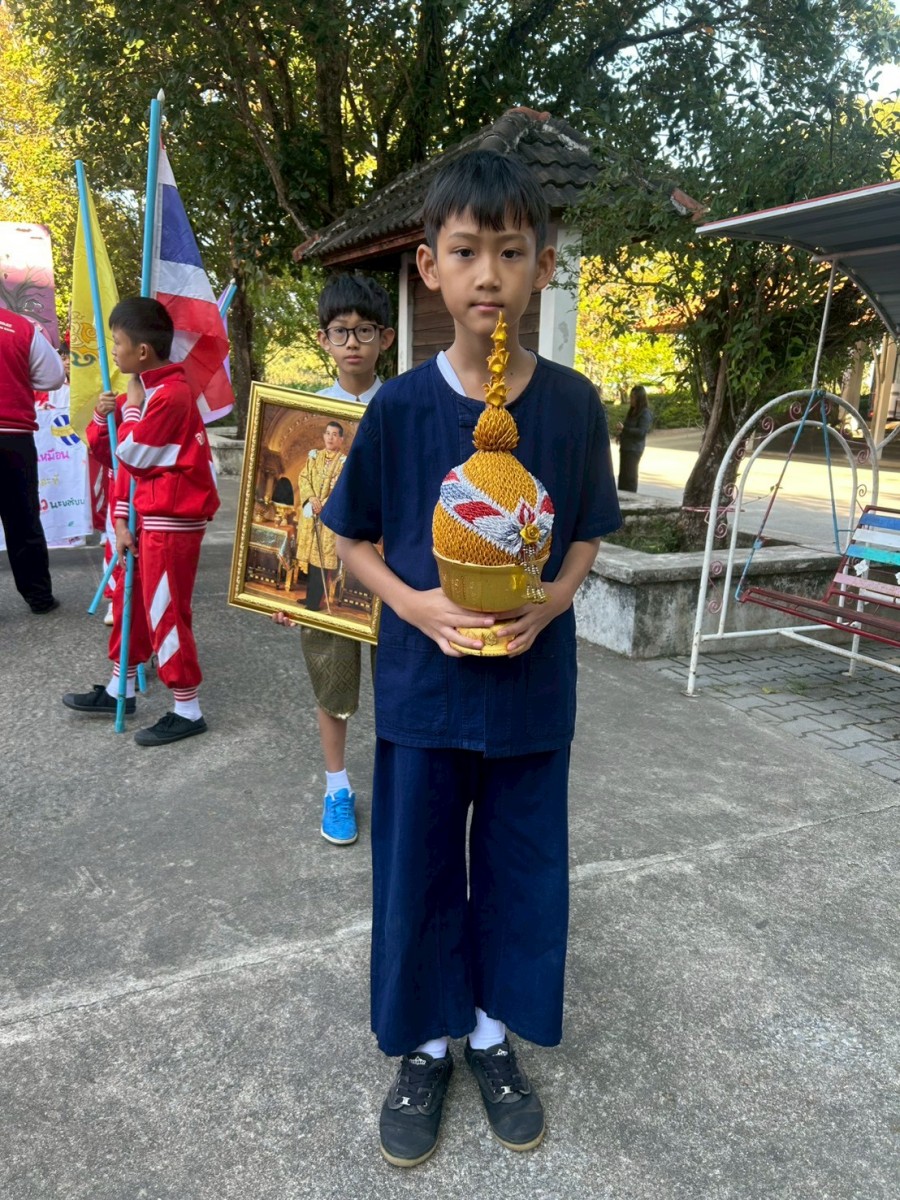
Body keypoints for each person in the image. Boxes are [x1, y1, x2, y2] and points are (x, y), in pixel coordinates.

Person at [322, 150, 621, 1167]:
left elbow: (586, 533)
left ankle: (491, 1034)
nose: (488, 274)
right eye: (465, 252)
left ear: (544, 267)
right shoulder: (400, 409)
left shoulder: (573, 406)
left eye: (511, 251)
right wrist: (416, 605)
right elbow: (351, 539)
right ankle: (425, 1044)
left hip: (532, 689)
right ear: (429, 268)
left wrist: (553, 603)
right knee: (417, 869)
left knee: (519, 867)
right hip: (425, 687)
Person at [62, 297, 219, 746]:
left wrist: (130, 409)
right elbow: (116, 460)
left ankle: (187, 708)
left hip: (172, 519)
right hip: (151, 515)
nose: (113, 350)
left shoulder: (169, 394)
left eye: (117, 342)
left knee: (166, 611)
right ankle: (121, 686)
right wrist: (121, 519)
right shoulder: (151, 390)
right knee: (135, 602)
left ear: (143, 351)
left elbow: (132, 456)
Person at [275, 274, 394, 847]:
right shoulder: (309, 410)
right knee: (331, 678)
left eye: (365, 330)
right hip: (327, 555)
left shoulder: (403, 405)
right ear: (323, 339)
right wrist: (277, 595)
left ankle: (400, 787)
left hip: (396, 573)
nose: (353, 342)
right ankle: (337, 786)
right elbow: (302, 494)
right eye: (341, 331)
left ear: (385, 338)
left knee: (401, 683)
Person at [0, 305, 66, 613]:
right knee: (23, 520)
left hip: (15, 434)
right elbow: (53, 377)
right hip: (13, 438)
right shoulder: (21, 327)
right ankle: (39, 597)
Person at [616, 384, 653, 492]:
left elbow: (641, 432)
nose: (630, 400)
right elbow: (628, 427)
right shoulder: (632, 411)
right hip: (625, 447)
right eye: (630, 397)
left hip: (634, 449)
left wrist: (624, 429)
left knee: (630, 476)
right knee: (623, 475)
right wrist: (620, 435)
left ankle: (631, 496)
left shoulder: (645, 413)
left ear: (639, 399)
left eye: (633, 397)